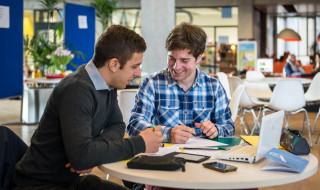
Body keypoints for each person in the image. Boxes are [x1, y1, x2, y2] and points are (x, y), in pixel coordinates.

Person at [13, 25, 163, 190]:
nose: (138, 73)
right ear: (114, 64)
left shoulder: (108, 84)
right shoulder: (77, 89)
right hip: (40, 185)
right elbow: (82, 157)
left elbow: (117, 126)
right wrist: (140, 144)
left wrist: (91, 152)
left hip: (69, 181)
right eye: (135, 66)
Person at [126, 22, 234, 190]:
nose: (176, 67)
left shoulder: (214, 86)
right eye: (171, 58)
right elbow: (134, 125)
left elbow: (228, 127)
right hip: (163, 168)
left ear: (199, 58)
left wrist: (217, 130)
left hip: (205, 165)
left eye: (184, 60)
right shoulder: (152, 83)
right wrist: (167, 133)